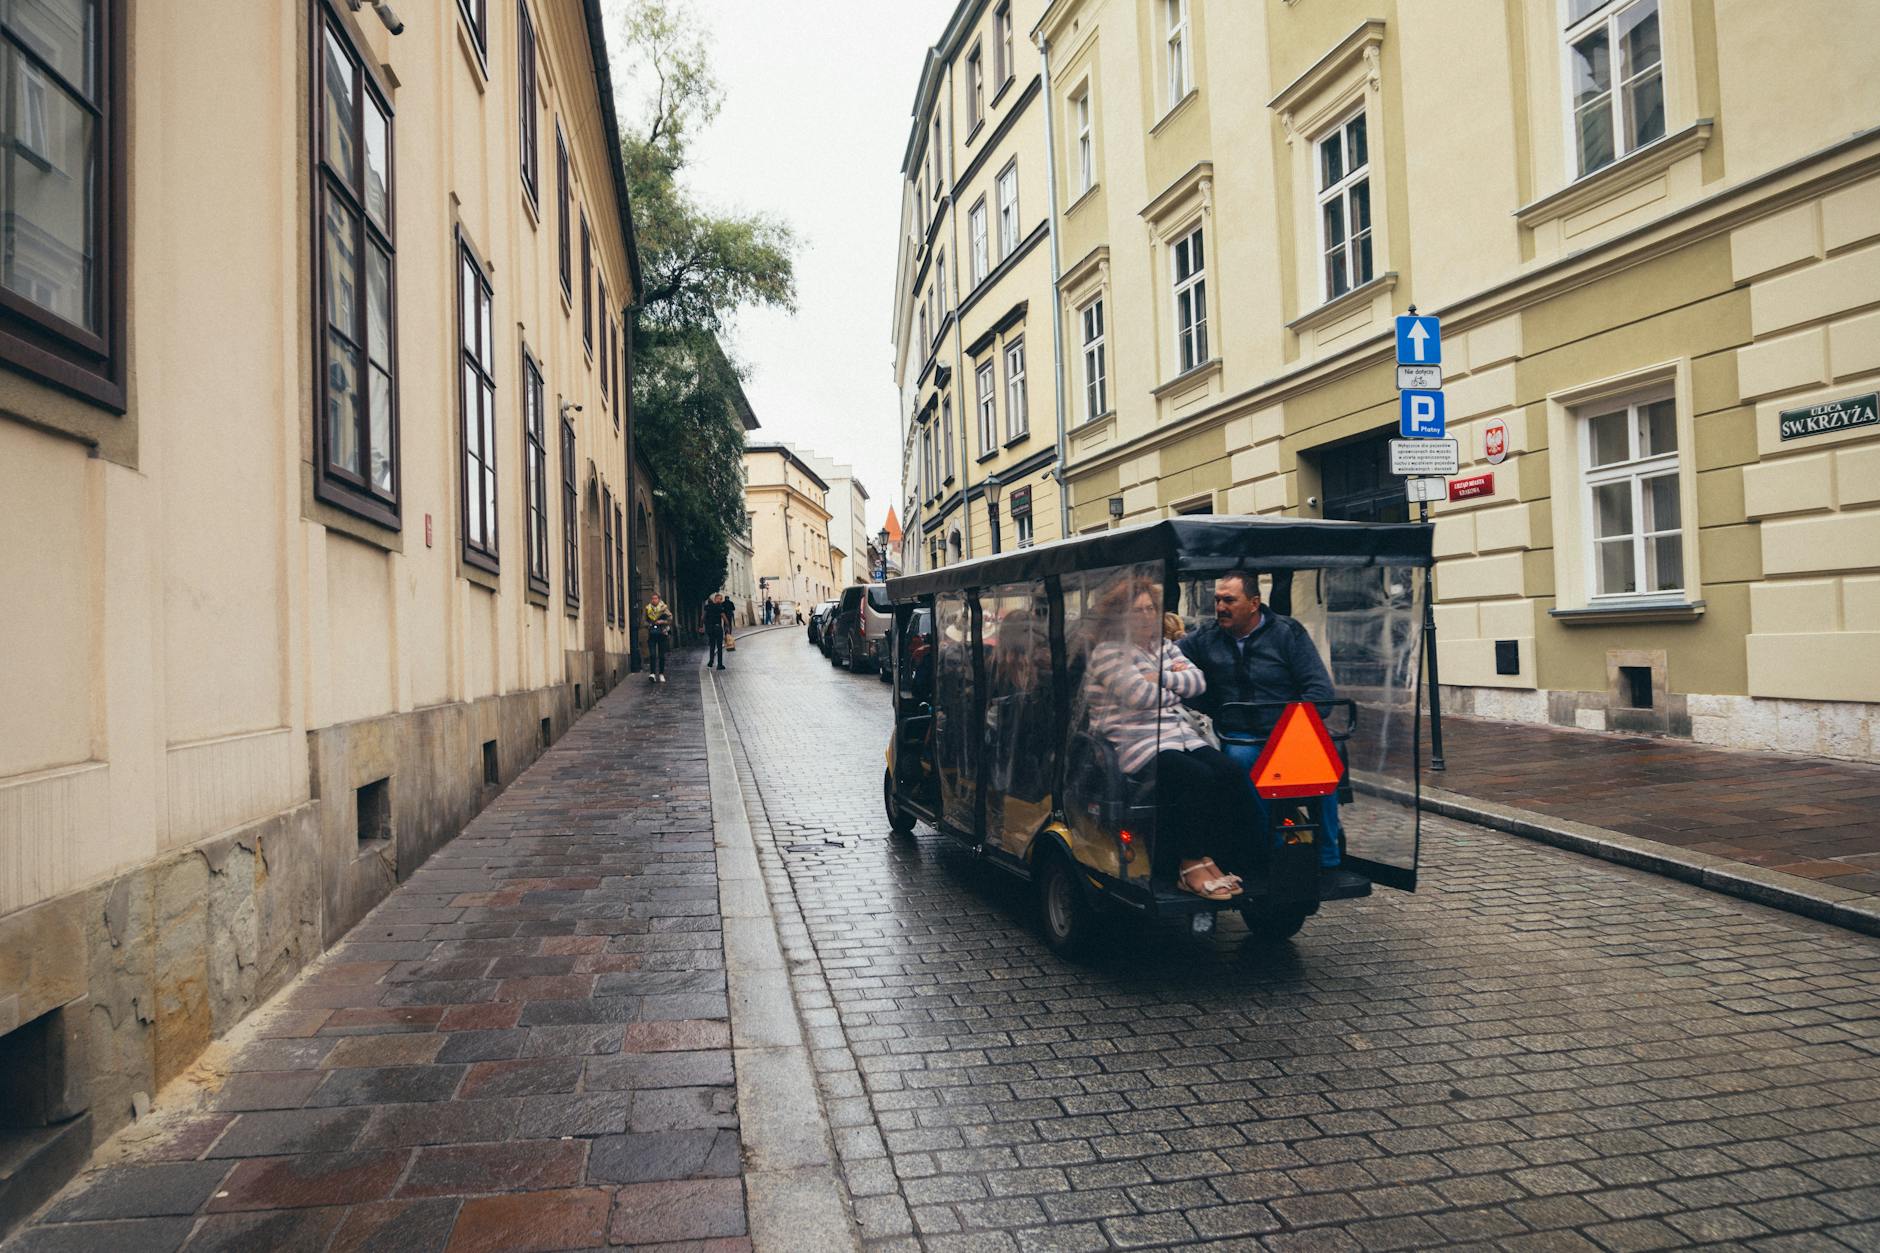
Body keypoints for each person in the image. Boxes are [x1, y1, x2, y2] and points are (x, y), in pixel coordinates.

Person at [1178, 571, 1366, 896]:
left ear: (1254, 603)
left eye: (1229, 600)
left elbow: (1319, 689)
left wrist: (1294, 731)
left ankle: (1328, 856)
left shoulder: (1287, 633)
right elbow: (1171, 660)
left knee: (1322, 766)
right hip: (1239, 734)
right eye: (1217, 600)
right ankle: (1271, 849)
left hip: (1289, 733)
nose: (1220, 607)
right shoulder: (1205, 637)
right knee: (1241, 766)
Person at [1084, 577, 1251, 901]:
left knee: (1230, 773)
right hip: (1136, 741)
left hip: (1179, 734)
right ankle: (1188, 865)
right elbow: (1138, 695)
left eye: (1151, 608)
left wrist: (1158, 677)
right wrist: (1171, 684)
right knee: (1197, 777)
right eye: (1138, 610)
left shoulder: (1163, 646)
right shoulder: (1107, 652)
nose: (1147, 616)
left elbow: (1197, 682)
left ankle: (1208, 857)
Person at [643, 593, 673, 684]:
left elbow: (670, 618)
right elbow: (644, 621)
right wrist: (649, 625)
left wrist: (662, 621)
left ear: (659, 599)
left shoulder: (664, 608)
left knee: (661, 655)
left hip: (662, 633)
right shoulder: (647, 608)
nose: (654, 600)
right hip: (652, 634)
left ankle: (661, 674)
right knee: (652, 654)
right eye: (652, 598)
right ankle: (652, 674)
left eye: (655, 598)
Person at [702, 591, 734, 670]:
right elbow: (724, 618)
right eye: (719, 599)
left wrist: (701, 626)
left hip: (710, 628)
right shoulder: (720, 607)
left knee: (712, 645)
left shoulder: (707, 606)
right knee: (719, 647)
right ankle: (719, 664)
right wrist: (727, 627)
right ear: (715, 599)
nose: (720, 601)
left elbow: (703, 617)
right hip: (718, 628)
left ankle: (711, 662)